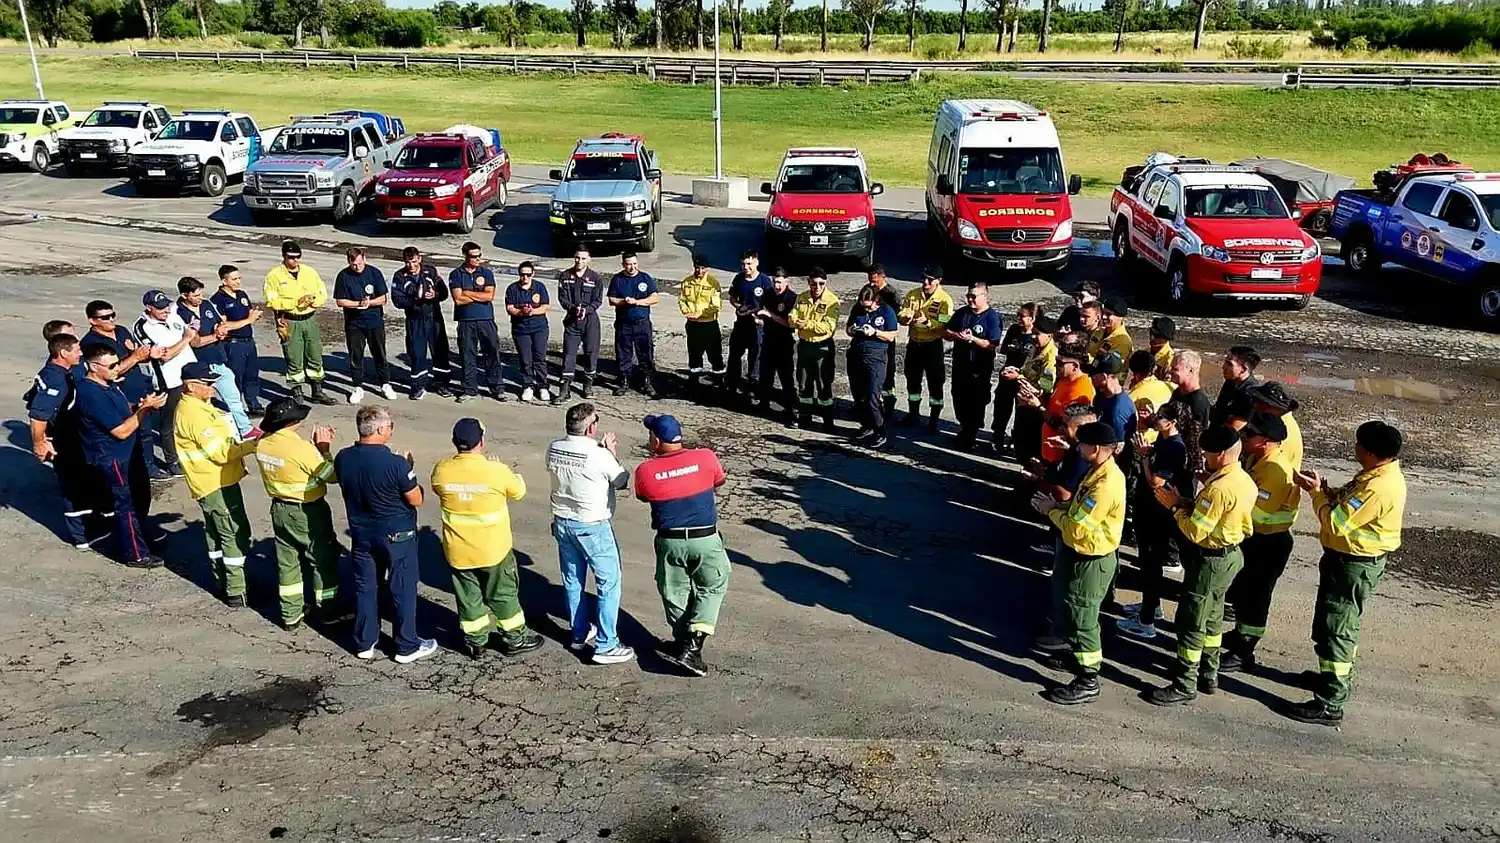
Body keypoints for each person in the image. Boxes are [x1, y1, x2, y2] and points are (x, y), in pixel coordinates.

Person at [1287, 420, 1406, 726]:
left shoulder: (1378, 487)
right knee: (1330, 624)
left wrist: (1315, 496)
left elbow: (1337, 522)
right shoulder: (1375, 475)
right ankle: (1329, 678)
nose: (1354, 448)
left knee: (1338, 628)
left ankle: (1331, 701)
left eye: (1358, 445)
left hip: (1354, 565)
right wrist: (1325, 489)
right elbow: (1346, 500)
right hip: (1345, 562)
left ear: (1370, 452)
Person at [1145, 425, 1258, 706]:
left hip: (1210, 561)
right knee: (1213, 616)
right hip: (1231, 556)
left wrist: (1174, 507)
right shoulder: (1243, 479)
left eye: (1207, 453)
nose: (1204, 458)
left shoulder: (1218, 489)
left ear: (1220, 454)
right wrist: (1186, 501)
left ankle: (1185, 682)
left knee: (1192, 620)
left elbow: (1196, 531)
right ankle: (1209, 672)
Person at [431, 418, 545, 660]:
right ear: (481, 441)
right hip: (493, 550)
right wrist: (504, 468)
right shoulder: (495, 472)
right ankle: (515, 638)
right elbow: (519, 491)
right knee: (503, 594)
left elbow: (439, 488)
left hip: (458, 551)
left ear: (455, 442)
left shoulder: (442, 470)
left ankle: (476, 641)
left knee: (468, 597)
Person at [1031, 420, 1127, 705]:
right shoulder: (1097, 472)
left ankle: (1088, 679)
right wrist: (1059, 507)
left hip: (1091, 560)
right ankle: (1077, 658)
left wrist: (1050, 512)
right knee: (1071, 609)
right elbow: (1076, 510)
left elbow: (1076, 529)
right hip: (1079, 554)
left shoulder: (1105, 484)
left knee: (1084, 620)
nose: (1078, 447)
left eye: (1082, 444)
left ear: (1096, 448)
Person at [335, 405, 436, 664]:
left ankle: (365, 642)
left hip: (362, 534)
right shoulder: (396, 464)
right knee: (402, 587)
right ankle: (406, 645)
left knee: (365, 587)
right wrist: (410, 470)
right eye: (390, 425)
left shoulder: (343, 458)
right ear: (380, 429)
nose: (391, 429)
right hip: (396, 535)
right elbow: (416, 500)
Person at [634, 414, 731, 677]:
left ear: (655, 440)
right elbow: (718, 485)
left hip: (670, 541)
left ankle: (683, 643)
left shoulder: (645, 471)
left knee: (674, 591)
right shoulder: (706, 457)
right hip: (706, 539)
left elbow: (643, 495)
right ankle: (693, 644)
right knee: (711, 586)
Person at [546, 403, 635, 665]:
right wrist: (611, 453)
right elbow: (622, 481)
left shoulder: (554, 447)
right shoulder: (598, 454)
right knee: (609, 583)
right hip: (593, 525)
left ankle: (579, 632)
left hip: (563, 521)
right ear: (591, 427)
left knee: (573, 580)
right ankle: (607, 644)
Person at [253, 398, 347, 630]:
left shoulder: (264, 443)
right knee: (321, 560)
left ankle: (290, 614)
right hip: (307, 511)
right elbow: (332, 475)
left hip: (279, 508)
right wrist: (323, 449)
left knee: (288, 562)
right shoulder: (301, 448)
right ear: (292, 421)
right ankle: (328, 610)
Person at [1219, 413, 1300, 674]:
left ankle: (1244, 650)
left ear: (1265, 441)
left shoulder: (1276, 471)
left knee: (1256, 598)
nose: (1243, 437)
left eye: (1249, 435)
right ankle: (1240, 633)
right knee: (1244, 592)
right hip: (1255, 539)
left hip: (1268, 542)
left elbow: (1259, 512)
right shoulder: (1259, 460)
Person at [74, 344, 167, 568]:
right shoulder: (90, 394)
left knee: (139, 499)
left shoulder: (108, 384)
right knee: (126, 506)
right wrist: (145, 411)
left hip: (128, 454)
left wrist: (141, 405)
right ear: (94, 367)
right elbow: (121, 430)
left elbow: (125, 409)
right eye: (112, 365)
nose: (118, 368)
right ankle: (135, 553)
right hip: (113, 457)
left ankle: (137, 540)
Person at [173, 363, 258, 606]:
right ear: (191, 386)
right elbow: (221, 453)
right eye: (208, 384)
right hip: (214, 484)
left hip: (216, 481)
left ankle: (225, 580)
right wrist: (252, 446)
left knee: (217, 534)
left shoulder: (200, 407)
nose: (213, 387)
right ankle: (236, 589)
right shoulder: (195, 415)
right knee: (231, 532)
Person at [27, 331, 111, 551]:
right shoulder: (54, 378)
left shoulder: (65, 371)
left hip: (77, 438)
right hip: (64, 442)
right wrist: (39, 443)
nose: (80, 353)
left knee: (88, 481)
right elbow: (38, 416)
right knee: (74, 487)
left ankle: (96, 524)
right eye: (77, 350)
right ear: (63, 353)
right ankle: (82, 535)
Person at [1117, 401, 1190, 640]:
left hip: (1157, 513)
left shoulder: (1174, 448)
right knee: (1148, 562)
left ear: (1173, 422)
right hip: (1150, 510)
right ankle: (1152, 606)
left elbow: (1156, 482)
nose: (1155, 418)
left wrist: (1144, 458)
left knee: (1151, 563)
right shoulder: (1164, 441)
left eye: (1160, 416)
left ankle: (1146, 621)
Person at [177, 276, 254, 438]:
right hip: (199, 367)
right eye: (196, 296)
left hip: (218, 360)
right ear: (185, 295)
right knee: (204, 404)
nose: (201, 298)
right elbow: (195, 342)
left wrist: (221, 328)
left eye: (201, 294)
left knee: (233, 397)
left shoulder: (206, 304)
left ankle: (246, 429)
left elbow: (220, 322)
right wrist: (216, 336)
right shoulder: (179, 313)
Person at [264, 240, 337, 406]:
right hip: (291, 320)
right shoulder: (274, 275)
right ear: (284, 256)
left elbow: (322, 291)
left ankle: (317, 390)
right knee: (294, 357)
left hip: (309, 318)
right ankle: (297, 392)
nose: (295, 261)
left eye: (298, 257)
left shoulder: (309, 272)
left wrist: (314, 302)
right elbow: (271, 300)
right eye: (291, 257)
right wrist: (295, 303)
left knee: (315, 354)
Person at [136, 289, 199, 476]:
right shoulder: (143, 327)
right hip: (169, 380)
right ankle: (172, 460)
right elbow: (165, 355)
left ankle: (190, 452)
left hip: (191, 374)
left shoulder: (173, 316)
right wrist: (187, 338)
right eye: (160, 307)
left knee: (192, 416)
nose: (165, 310)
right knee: (169, 423)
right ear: (149, 308)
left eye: (166, 305)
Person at [944, 282, 1003, 451]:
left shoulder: (992, 317)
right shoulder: (962, 313)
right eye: (968, 295)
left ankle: (970, 435)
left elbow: (992, 345)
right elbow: (946, 332)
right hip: (960, 365)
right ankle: (965, 429)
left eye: (973, 296)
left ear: (985, 297)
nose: (970, 299)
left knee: (975, 402)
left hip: (979, 368)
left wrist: (973, 339)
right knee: (958, 397)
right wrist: (957, 335)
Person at [333, 247, 396, 405]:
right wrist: (356, 304)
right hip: (354, 324)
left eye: (360, 263)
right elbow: (340, 301)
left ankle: (385, 384)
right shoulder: (343, 276)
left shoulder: (374, 273)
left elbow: (383, 299)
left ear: (364, 259)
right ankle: (358, 386)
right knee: (356, 356)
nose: (358, 267)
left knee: (380, 354)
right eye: (354, 265)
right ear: (349, 262)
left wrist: (369, 303)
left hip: (374, 322)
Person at [390, 246, 453, 401]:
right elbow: (397, 300)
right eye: (407, 262)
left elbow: (444, 292)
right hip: (415, 319)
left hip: (434, 317)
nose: (410, 265)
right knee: (417, 353)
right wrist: (415, 300)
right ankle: (418, 386)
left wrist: (434, 295)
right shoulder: (399, 276)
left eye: (413, 261)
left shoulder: (430, 271)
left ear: (419, 258)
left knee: (440, 350)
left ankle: (442, 384)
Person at [898, 266, 955, 433]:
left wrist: (926, 322)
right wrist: (904, 318)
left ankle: (934, 420)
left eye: (930, 280)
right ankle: (913, 414)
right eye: (924, 278)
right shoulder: (913, 294)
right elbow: (902, 312)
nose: (926, 282)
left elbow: (945, 322)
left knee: (935, 383)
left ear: (939, 281)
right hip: (914, 344)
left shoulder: (945, 300)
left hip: (933, 345)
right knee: (912, 380)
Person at [449, 241, 507, 404]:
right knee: (467, 355)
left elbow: (489, 296)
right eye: (474, 256)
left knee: (492, 353)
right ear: (465, 256)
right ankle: (469, 389)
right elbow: (458, 299)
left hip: (486, 319)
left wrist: (468, 292)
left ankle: (497, 388)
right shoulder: (456, 274)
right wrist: (476, 296)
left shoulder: (486, 273)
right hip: (466, 321)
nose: (478, 259)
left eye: (479, 255)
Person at [845, 283, 899, 449]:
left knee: (872, 397)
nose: (866, 310)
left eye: (869, 307)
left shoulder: (886, 311)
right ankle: (866, 426)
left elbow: (892, 335)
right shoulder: (858, 309)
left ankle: (880, 430)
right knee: (859, 395)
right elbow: (848, 329)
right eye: (863, 306)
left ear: (876, 301)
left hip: (876, 358)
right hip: (856, 355)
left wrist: (875, 332)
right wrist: (853, 330)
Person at [790, 268, 840, 432]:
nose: (817, 287)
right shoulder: (802, 297)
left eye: (821, 284)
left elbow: (828, 327)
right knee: (804, 383)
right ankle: (805, 418)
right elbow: (792, 316)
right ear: (808, 282)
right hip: (805, 345)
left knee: (823, 384)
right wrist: (795, 321)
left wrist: (807, 324)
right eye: (814, 283)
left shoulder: (832, 301)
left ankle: (827, 421)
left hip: (822, 347)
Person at [211, 264, 265, 416]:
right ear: (224, 281)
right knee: (236, 377)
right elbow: (224, 325)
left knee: (252, 374)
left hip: (248, 341)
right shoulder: (218, 300)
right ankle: (236, 407)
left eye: (239, 278)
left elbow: (248, 313)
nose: (238, 282)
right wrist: (249, 320)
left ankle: (254, 404)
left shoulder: (241, 295)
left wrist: (254, 315)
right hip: (233, 344)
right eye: (234, 279)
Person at [1009, 314, 1059, 466]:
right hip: (1023, 401)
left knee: (1029, 447)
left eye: (1037, 333)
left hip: (1035, 408)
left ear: (1049, 336)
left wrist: (1018, 377)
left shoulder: (1050, 357)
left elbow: (1044, 389)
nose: (1033, 336)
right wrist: (1017, 371)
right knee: (1019, 440)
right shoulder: (1036, 348)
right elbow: (1027, 369)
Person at [555, 247, 604, 402]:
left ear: (589, 259)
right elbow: (562, 298)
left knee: (591, 354)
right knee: (569, 354)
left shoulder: (595, 278)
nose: (579, 261)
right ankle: (564, 390)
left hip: (590, 322)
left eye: (583, 258)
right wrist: (573, 309)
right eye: (577, 258)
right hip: (572, 321)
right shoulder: (565, 276)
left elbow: (598, 300)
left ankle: (588, 385)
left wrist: (587, 310)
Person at [608, 252, 660, 397]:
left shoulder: (645, 278)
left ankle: (647, 381)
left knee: (645, 352)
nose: (632, 267)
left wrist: (638, 302)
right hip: (624, 324)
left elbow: (655, 297)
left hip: (642, 323)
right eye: (629, 264)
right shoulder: (617, 279)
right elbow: (612, 300)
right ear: (623, 264)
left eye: (634, 264)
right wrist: (624, 301)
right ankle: (624, 381)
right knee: (623, 353)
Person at [990, 302, 1039, 449]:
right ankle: (998, 435)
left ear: (1032, 318)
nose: (1018, 318)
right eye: (1018, 315)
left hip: (1023, 379)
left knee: (1022, 411)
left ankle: (1017, 438)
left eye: (1022, 316)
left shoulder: (1037, 335)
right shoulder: (1013, 330)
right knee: (1001, 407)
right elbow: (1004, 349)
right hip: (1007, 375)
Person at [755, 267, 800, 424]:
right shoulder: (768, 294)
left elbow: (789, 323)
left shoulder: (791, 298)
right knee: (765, 374)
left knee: (786, 377)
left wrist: (770, 315)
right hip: (768, 340)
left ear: (787, 282)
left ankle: (791, 408)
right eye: (774, 281)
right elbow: (761, 311)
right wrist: (759, 319)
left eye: (780, 282)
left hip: (784, 342)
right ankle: (763, 403)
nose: (776, 285)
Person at [725, 249, 769, 401]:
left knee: (755, 356)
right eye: (743, 264)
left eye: (749, 264)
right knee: (735, 355)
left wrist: (762, 316)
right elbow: (732, 297)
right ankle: (731, 384)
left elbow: (770, 303)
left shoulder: (764, 281)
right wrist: (738, 306)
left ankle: (753, 385)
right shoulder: (739, 279)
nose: (746, 267)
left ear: (756, 263)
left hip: (757, 326)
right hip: (741, 324)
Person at [1040, 346, 1096, 465]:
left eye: (1060, 363)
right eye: (1056, 361)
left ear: (1075, 366)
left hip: (1060, 455)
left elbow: (1064, 426)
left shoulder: (1081, 390)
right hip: (1049, 448)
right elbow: (1052, 407)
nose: (1056, 365)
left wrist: (1037, 406)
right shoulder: (1064, 379)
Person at [506, 261, 552, 403]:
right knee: (526, 359)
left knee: (540, 358)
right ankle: (528, 385)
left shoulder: (539, 287)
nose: (524, 278)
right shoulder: (512, 289)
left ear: (533, 274)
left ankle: (542, 385)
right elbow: (509, 308)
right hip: (521, 330)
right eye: (522, 275)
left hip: (539, 328)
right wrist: (521, 312)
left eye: (527, 275)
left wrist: (531, 312)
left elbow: (544, 306)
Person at [678, 254, 724, 394]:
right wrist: (687, 312)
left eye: (702, 268)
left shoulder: (712, 283)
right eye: (697, 268)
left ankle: (718, 380)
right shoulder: (687, 282)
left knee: (714, 354)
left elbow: (716, 306)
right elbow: (682, 300)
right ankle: (694, 381)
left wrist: (699, 314)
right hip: (692, 325)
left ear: (707, 269)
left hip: (708, 324)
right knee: (694, 353)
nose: (699, 271)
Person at [1168, 349, 1213, 479]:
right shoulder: (1178, 392)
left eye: (1175, 369)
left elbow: (1197, 440)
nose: (1171, 371)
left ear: (1191, 371)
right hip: (1173, 454)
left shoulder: (1198, 402)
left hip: (1187, 464)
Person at [865, 264, 902, 417]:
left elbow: (894, 318)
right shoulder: (868, 290)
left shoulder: (892, 294)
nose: (872, 284)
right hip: (870, 339)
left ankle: (889, 404)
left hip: (886, 340)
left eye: (875, 281)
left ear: (883, 278)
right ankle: (871, 403)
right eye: (870, 280)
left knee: (888, 372)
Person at [1244, 381, 1304, 470]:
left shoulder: (1278, 431)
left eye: (1261, 403)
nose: (1255, 406)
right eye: (1254, 401)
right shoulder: (1279, 422)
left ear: (1275, 407)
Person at [1127, 350, 1174, 442]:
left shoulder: (1131, 397)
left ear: (1134, 372)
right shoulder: (1171, 387)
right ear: (1153, 369)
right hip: (1168, 438)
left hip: (1143, 443)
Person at [1090, 353, 1136, 446]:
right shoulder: (1102, 394)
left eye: (1092, 375)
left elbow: (1117, 449)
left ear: (1103, 377)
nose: (1090, 377)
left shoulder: (1118, 412)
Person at [1211, 345, 1262, 428]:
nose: (1223, 367)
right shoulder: (1231, 381)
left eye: (1229, 364)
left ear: (1243, 369)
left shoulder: (1250, 395)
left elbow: (1232, 431)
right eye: (1225, 362)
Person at [1091, 296, 1134, 366]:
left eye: (1108, 314)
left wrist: (1086, 358)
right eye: (1103, 312)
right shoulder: (1098, 331)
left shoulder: (1123, 341)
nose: (1103, 317)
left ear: (1120, 318)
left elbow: (1110, 367)